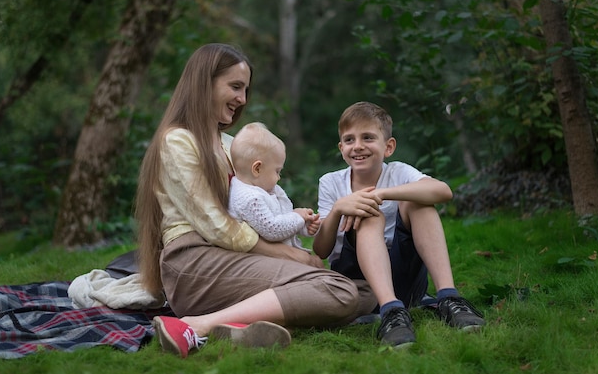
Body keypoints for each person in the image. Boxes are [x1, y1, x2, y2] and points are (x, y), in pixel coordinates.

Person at [134, 43, 361, 359]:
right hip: (196, 262)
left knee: (360, 291)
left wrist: (293, 237)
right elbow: (215, 225)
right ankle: (195, 325)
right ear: (204, 83)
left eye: (245, 89)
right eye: (235, 86)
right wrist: (285, 254)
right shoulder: (178, 141)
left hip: (232, 258)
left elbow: (257, 204)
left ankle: (239, 325)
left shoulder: (230, 143)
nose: (242, 98)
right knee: (339, 291)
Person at [313, 101, 485, 349]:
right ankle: (391, 312)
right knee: (369, 213)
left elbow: (443, 191)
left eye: (368, 137)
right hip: (357, 280)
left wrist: (383, 194)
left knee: (419, 202)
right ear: (341, 148)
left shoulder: (398, 172)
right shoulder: (331, 182)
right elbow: (321, 250)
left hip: (405, 279)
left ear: (388, 146)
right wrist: (340, 208)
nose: (358, 146)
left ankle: (450, 298)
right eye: (349, 140)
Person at [228, 122, 320, 251]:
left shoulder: (264, 188)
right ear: (257, 169)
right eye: (277, 171)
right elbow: (273, 229)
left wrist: (304, 225)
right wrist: (298, 217)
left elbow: (283, 218)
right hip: (263, 260)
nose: (279, 177)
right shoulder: (249, 199)